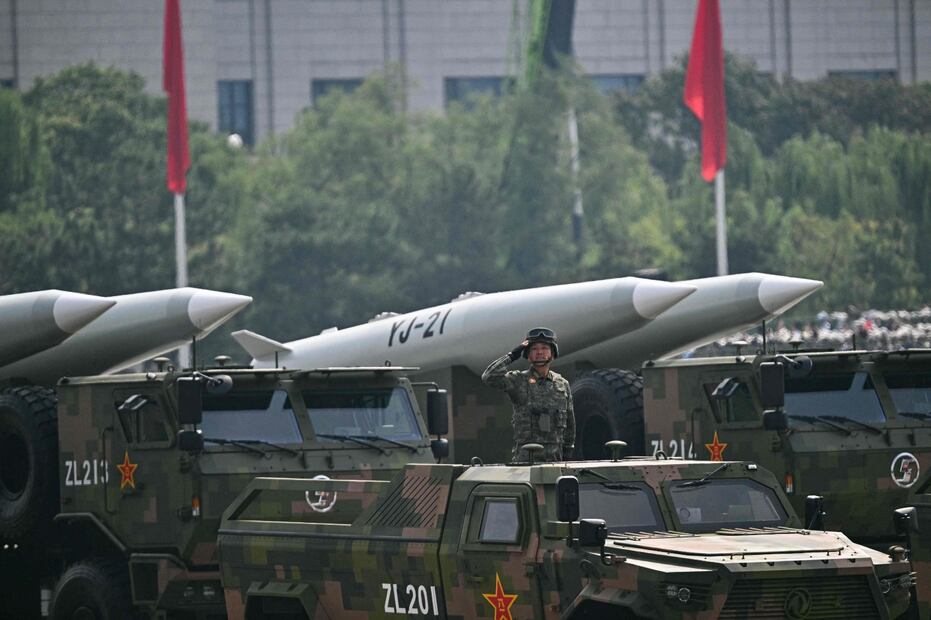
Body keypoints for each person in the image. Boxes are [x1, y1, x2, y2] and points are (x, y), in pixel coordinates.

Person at [481, 327, 575, 463]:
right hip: (526, 460)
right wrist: (512, 355)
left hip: (555, 460)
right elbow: (489, 376)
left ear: (553, 353)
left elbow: (570, 423)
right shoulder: (518, 380)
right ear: (528, 355)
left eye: (544, 348)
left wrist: (567, 454)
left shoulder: (562, 384)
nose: (540, 352)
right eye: (534, 349)